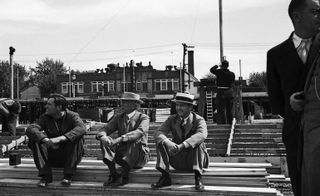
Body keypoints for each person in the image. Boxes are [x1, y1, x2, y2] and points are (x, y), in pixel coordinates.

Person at [267, 0, 320, 195]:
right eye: (315, 11)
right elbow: (275, 101)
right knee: (301, 185)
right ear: (297, 16)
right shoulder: (275, 55)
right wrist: (291, 105)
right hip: (295, 132)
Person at [151, 92, 209, 191]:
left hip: (194, 161)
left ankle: (198, 178)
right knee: (161, 141)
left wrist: (183, 145)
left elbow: (202, 134)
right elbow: (158, 132)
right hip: (177, 161)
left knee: (198, 142)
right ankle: (165, 177)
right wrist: (168, 142)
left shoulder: (199, 120)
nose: (178, 108)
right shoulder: (172, 119)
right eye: (177, 105)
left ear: (190, 107)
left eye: (182, 105)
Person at [26, 94, 86, 187]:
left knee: (78, 138)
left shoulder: (72, 116)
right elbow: (31, 129)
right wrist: (46, 140)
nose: (46, 106)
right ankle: (45, 177)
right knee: (35, 139)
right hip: (52, 156)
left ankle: (68, 176)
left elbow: (81, 128)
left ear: (59, 107)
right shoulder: (45, 117)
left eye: (49, 104)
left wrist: (59, 139)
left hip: (69, 157)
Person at [96, 92, 150, 187]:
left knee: (135, 140)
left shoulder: (143, 118)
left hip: (139, 157)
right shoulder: (119, 117)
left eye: (126, 102)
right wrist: (103, 136)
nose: (122, 104)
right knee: (104, 140)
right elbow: (106, 129)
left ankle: (124, 176)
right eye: (123, 102)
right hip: (122, 156)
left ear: (135, 105)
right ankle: (114, 174)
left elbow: (139, 132)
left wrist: (120, 139)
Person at [210, 60, 235, 124]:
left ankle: (221, 124)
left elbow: (211, 69)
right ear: (228, 66)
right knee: (229, 110)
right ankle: (230, 123)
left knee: (220, 110)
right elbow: (232, 83)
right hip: (229, 92)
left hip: (221, 92)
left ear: (221, 66)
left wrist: (217, 65)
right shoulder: (232, 74)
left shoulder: (219, 72)